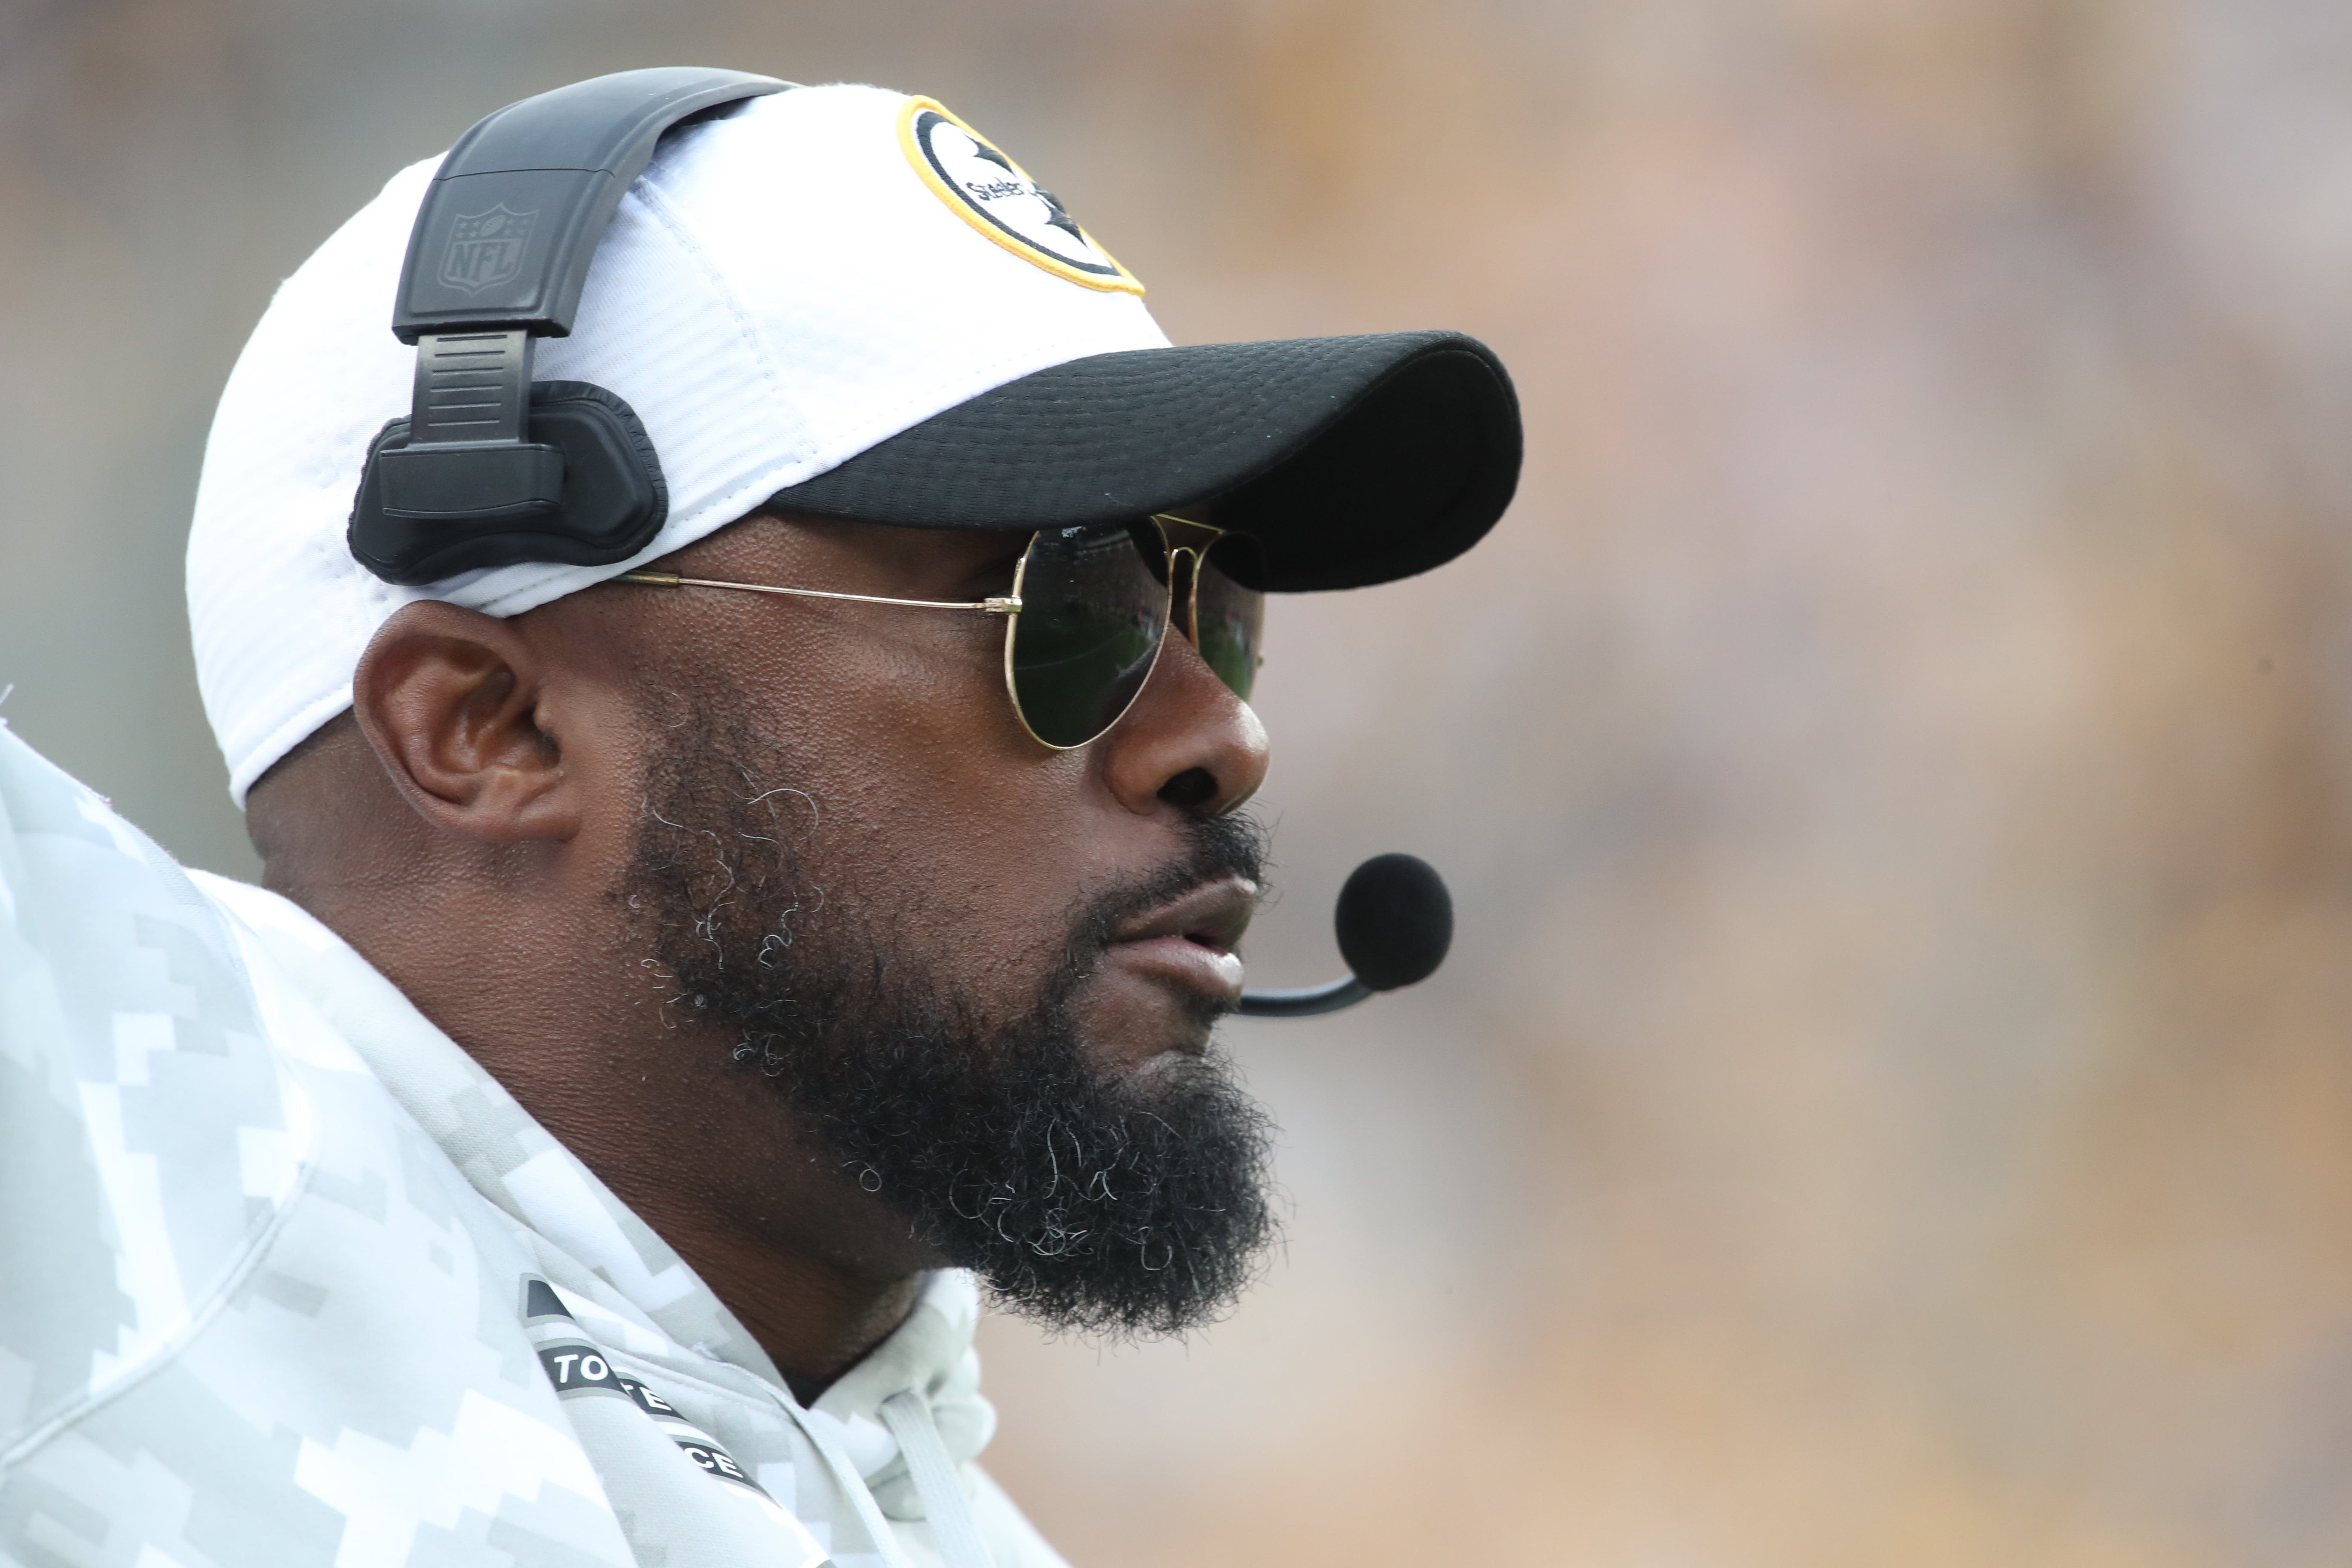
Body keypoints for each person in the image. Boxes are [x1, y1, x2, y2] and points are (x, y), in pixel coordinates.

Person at [0, 73, 1518, 1568]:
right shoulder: (115, 1150)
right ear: (491, 727)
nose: (1223, 736)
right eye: (1067, 606)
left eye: (1217, 610)